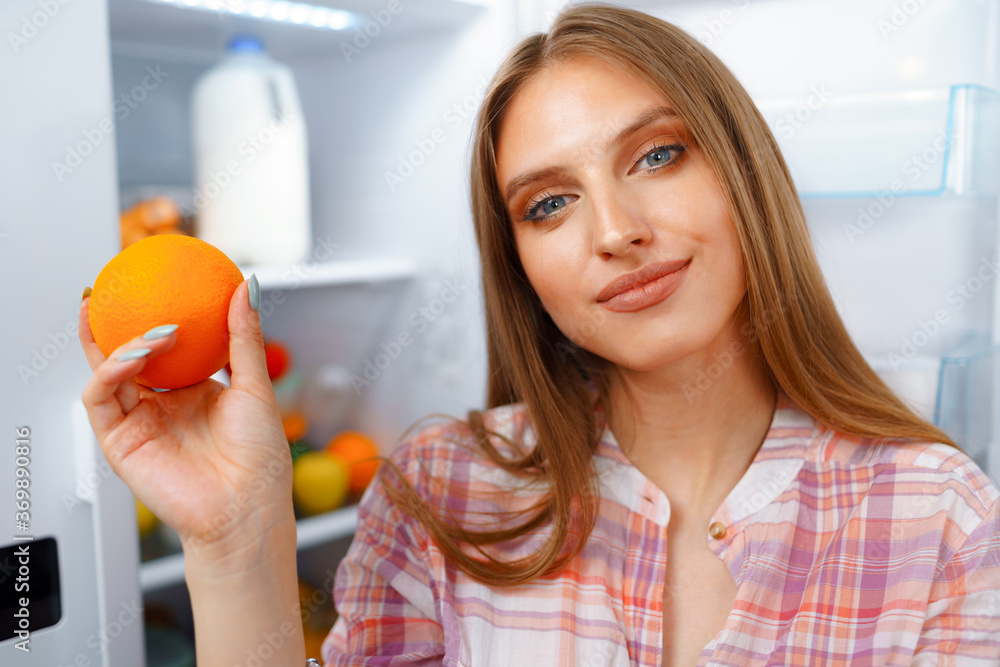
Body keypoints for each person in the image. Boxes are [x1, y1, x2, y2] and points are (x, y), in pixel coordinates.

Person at [78, 3, 1000, 666]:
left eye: (658, 154)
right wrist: (238, 542)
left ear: (745, 175)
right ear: (521, 265)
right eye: (549, 203)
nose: (614, 229)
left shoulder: (939, 517)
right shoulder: (443, 490)